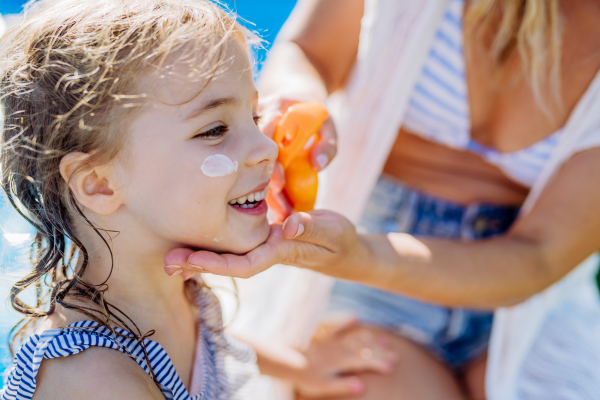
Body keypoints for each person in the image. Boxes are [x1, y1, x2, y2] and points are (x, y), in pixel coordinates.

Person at [165, 0, 600, 398]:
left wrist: (357, 254)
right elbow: (310, 53)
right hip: (367, 258)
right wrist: (297, 103)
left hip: (523, 299)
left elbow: (538, 257)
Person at [0, 1, 397, 399]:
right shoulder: (95, 379)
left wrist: (301, 366)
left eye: (254, 117)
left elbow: (212, 340)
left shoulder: (177, 283)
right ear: (100, 184)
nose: (266, 148)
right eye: (215, 129)